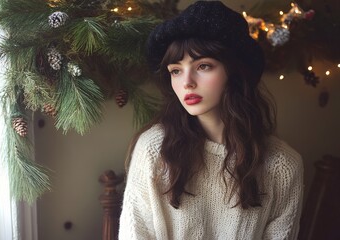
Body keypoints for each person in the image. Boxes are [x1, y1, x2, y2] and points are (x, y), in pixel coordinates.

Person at [118, 1, 304, 239]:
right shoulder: (154, 150)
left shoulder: (283, 166)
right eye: (176, 70)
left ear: (234, 72)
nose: (187, 82)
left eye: (203, 66)